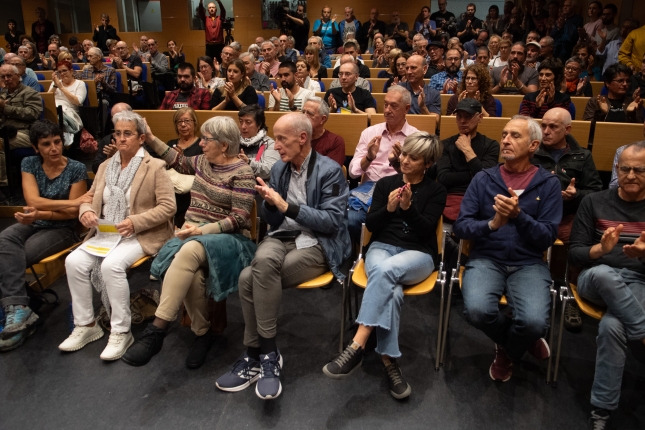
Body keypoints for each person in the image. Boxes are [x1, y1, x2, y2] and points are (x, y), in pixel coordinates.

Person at [213, 112, 349, 399]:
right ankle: (267, 355)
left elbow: (333, 222)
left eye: (281, 139)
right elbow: (271, 221)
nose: (276, 146)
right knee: (257, 267)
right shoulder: (279, 170)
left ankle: (257, 354)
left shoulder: (330, 170)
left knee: (250, 276)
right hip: (282, 236)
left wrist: (287, 207)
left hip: (317, 243)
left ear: (303, 138)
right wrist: (270, 206)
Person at [121, 115, 257, 368]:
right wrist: (149, 136)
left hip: (229, 239)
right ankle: (202, 334)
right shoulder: (203, 162)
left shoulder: (243, 172)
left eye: (206, 139)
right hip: (194, 235)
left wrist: (201, 232)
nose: (201, 143)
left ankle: (158, 328)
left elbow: (239, 219)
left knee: (192, 248)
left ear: (224, 145)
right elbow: (178, 161)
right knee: (192, 274)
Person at [323, 131, 446, 399]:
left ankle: (358, 343)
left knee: (386, 271)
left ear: (427, 164)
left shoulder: (436, 190)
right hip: (381, 246)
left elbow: (428, 233)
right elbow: (371, 226)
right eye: (405, 154)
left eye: (414, 158)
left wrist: (408, 208)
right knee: (392, 288)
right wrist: (389, 210)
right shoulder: (385, 184)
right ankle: (389, 360)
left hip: (419, 254)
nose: (405, 160)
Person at [453, 115, 562, 382]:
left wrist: (518, 217)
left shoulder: (548, 184)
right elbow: (461, 227)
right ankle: (520, 341)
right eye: (504, 134)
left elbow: (548, 236)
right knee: (477, 311)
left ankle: (508, 349)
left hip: (529, 263)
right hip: (486, 258)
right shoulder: (483, 178)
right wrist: (492, 224)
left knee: (535, 323)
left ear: (533, 145)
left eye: (515, 136)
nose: (505, 140)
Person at [59, 111, 176, 361]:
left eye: (128, 134)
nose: (121, 139)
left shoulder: (154, 166)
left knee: (112, 266)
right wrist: (86, 212)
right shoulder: (105, 166)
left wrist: (135, 222)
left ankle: (121, 331)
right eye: (118, 133)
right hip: (107, 232)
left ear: (141, 138)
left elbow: (168, 207)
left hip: (140, 233)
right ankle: (86, 325)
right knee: (73, 262)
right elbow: (88, 198)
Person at [568, 141, 645, 430]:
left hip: (638, 281)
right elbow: (575, 253)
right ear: (616, 169)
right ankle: (642, 330)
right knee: (604, 274)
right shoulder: (595, 201)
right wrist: (600, 250)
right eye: (625, 169)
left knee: (613, 327)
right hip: (594, 278)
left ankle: (601, 411)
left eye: (639, 170)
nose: (631, 175)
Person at [0, 120, 88, 351]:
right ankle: (20, 308)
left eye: (57, 142)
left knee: (17, 256)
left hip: (63, 228)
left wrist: (45, 212)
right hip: (35, 220)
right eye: (46, 144)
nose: (54, 148)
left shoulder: (76, 168)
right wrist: (69, 202)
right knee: (5, 240)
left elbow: (72, 214)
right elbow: (32, 201)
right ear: (35, 147)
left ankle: (21, 308)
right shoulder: (29, 163)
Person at [346, 86, 418, 241]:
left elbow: (419, 177)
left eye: (393, 106)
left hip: (399, 188)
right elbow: (353, 172)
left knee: (395, 222)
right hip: (369, 188)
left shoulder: (416, 138)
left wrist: (397, 165)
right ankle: (359, 256)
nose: (387, 110)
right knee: (351, 219)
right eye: (385, 104)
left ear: (406, 109)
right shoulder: (370, 133)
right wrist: (369, 158)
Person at [436, 99, 500, 229]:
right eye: (459, 116)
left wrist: (467, 150)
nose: (462, 121)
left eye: (468, 116)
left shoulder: (491, 145)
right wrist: (472, 174)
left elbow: (488, 180)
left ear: (480, 117)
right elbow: (443, 178)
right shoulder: (445, 144)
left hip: (480, 199)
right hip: (451, 200)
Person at [0, 64, 43, 185]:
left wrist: (5, 107)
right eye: (3, 77)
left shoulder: (29, 92)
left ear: (18, 76)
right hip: (5, 131)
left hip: (25, 132)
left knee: (0, 144)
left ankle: (3, 185)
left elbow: (33, 113)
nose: (6, 79)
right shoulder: (2, 93)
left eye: (9, 76)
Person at [161, 107, 202, 227]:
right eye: (179, 121)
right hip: (170, 189)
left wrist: (182, 160)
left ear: (195, 123)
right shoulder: (170, 144)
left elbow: (202, 170)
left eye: (187, 121)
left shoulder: (201, 145)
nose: (183, 125)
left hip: (191, 193)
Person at [236, 104, 280, 181]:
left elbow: (271, 170)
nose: (243, 126)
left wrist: (249, 163)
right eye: (241, 121)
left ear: (259, 124)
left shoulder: (269, 144)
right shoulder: (234, 141)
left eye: (248, 122)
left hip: (258, 189)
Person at [302, 96, 345, 166]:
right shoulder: (294, 137)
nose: (304, 116)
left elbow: (331, 171)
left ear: (322, 119)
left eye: (309, 113)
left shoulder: (335, 141)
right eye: (303, 112)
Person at [92, 103, 133, 174]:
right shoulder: (107, 140)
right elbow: (95, 168)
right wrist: (109, 159)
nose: (116, 121)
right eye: (113, 117)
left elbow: (146, 165)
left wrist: (121, 155)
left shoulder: (138, 138)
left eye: (120, 116)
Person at [80, 47, 116, 127]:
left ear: (99, 57)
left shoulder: (110, 70)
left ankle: (101, 130)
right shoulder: (86, 71)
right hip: (90, 97)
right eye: (88, 56)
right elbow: (83, 89)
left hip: (104, 97)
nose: (88, 59)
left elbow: (113, 91)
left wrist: (103, 83)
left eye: (91, 56)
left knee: (103, 103)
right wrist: (94, 84)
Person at [49, 60, 86, 135]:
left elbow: (77, 101)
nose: (62, 74)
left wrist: (61, 87)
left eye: (64, 71)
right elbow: (48, 99)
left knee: (58, 121)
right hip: (53, 111)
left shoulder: (80, 84)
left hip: (70, 113)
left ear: (71, 71)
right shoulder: (55, 83)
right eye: (59, 72)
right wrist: (55, 86)